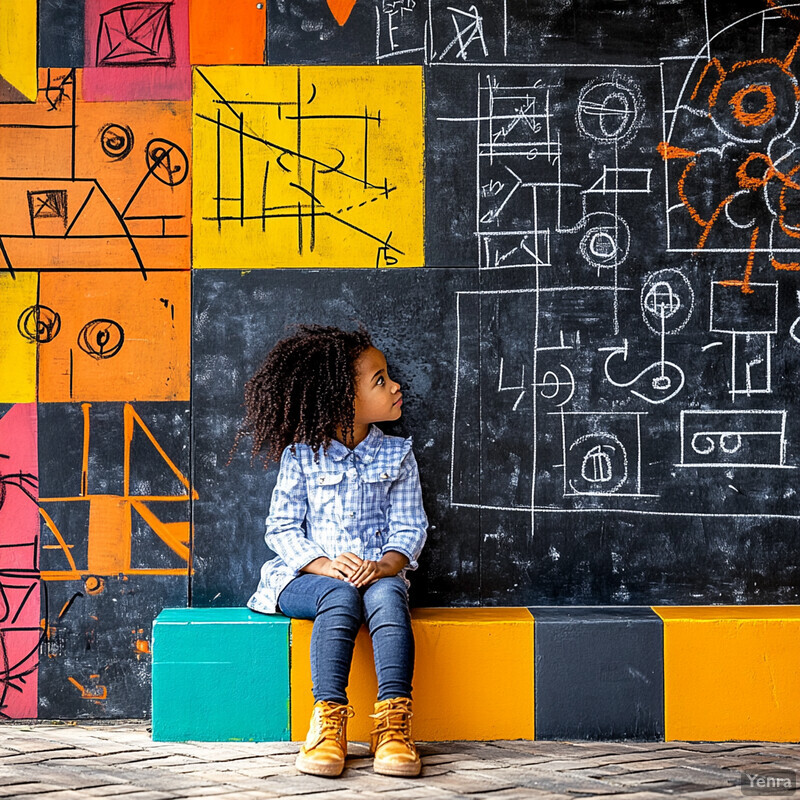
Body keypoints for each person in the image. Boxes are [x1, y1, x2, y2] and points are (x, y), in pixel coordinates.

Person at [235, 324, 428, 779]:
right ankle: (327, 722)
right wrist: (324, 565)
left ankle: (394, 725)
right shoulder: (302, 455)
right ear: (343, 397)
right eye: (380, 380)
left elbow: (410, 526)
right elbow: (280, 528)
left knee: (387, 595)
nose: (395, 385)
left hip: (376, 574)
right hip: (304, 579)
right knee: (338, 596)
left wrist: (386, 566)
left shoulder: (397, 455)